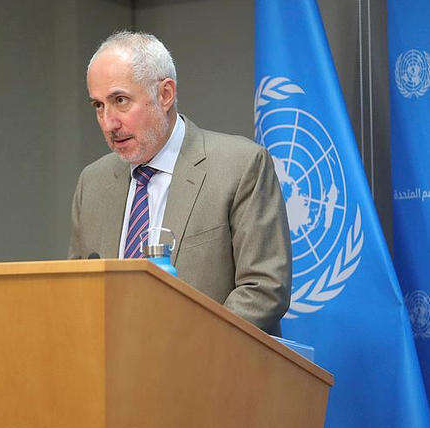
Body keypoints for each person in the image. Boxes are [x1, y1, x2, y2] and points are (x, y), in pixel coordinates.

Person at [68, 31, 292, 336]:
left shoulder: (240, 166)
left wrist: (180, 350)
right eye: (98, 105)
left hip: (210, 360)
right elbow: (78, 293)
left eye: (120, 101)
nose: (109, 122)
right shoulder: (92, 182)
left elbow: (263, 288)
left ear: (165, 94)